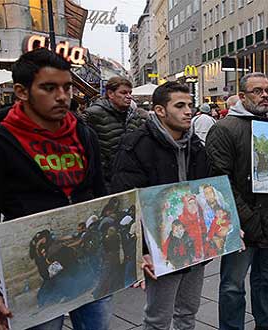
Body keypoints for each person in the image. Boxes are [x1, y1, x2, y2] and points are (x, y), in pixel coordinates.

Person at [0, 48, 110, 330]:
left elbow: (100, 194)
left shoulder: (84, 134)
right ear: (22, 91)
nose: (62, 96)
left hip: (91, 265)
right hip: (39, 268)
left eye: (67, 87)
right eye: (49, 87)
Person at [206, 72, 268, 330]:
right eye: (257, 91)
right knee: (232, 285)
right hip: (242, 223)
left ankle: (267, 321)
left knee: (266, 277)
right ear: (242, 96)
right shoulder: (224, 129)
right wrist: (244, 218)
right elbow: (219, 181)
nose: (265, 95)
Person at [110, 82, 209, 330]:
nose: (189, 111)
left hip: (196, 243)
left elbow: (209, 192)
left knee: (188, 312)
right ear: (160, 110)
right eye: (180, 105)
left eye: (190, 105)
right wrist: (141, 248)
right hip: (159, 246)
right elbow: (126, 203)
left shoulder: (195, 145)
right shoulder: (135, 146)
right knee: (158, 318)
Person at [84, 76, 144, 188]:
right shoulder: (93, 114)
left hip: (130, 177)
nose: (129, 96)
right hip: (103, 178)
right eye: (123, 93)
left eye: (130, 92)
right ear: (111, 94)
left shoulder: (135, 116)